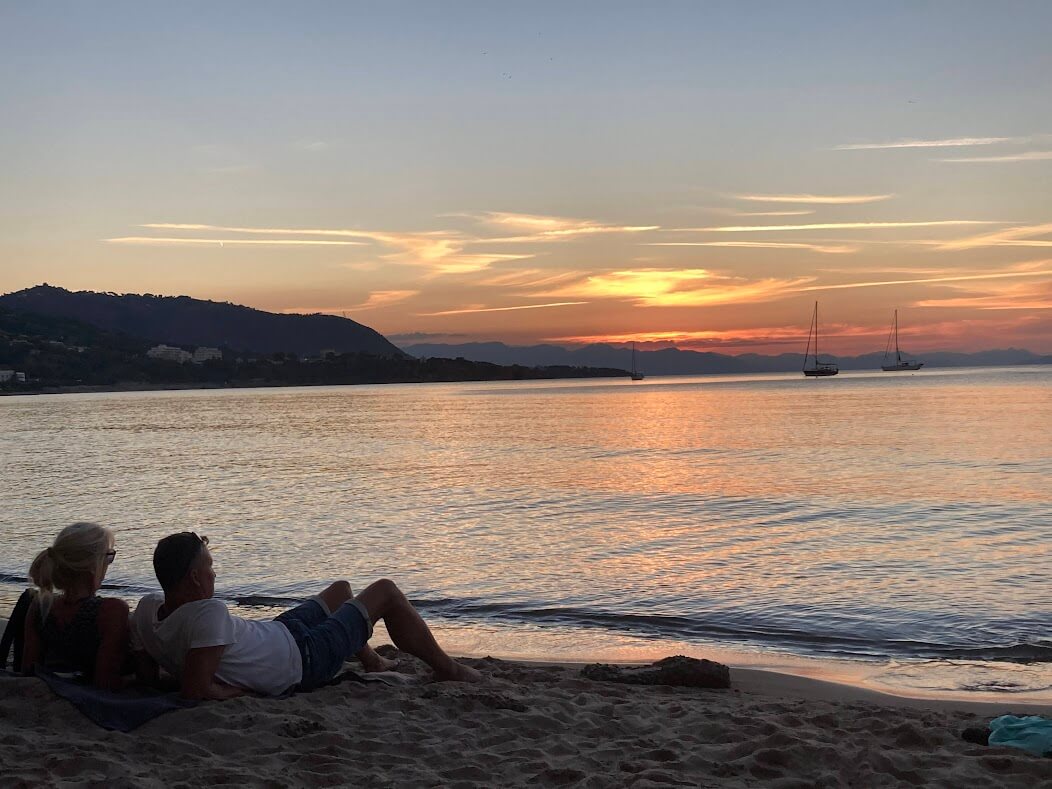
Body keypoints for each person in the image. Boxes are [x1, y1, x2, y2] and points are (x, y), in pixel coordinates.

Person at [131, 532, 480, 699]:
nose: (214, 575)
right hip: (304, 658)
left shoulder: (146, 610)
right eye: (210, 567)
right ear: (193, 577)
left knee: (342, 590)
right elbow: (196, 690)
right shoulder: (209, 613)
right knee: (386, 591)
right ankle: (449, 669)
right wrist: (240, 691)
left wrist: (169, 678)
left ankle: (373, 662)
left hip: (277, 633)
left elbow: (150, 672)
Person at [22, 522, 131, 690]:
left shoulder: (40, 606)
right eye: (108, 556)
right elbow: (106, 681)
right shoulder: (112, 611)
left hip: (48, 688)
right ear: (94, 564)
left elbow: (29, 669)